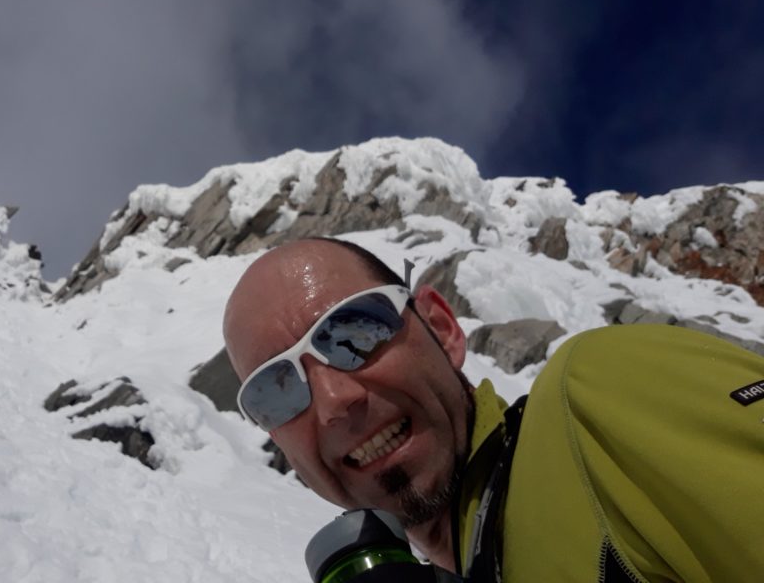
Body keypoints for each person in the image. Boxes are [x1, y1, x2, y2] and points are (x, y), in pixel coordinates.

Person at [223, 237, 764, 582]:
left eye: (354, 330)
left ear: (441, 327)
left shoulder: (595, 394)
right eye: (276, 390)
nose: (336, 404)